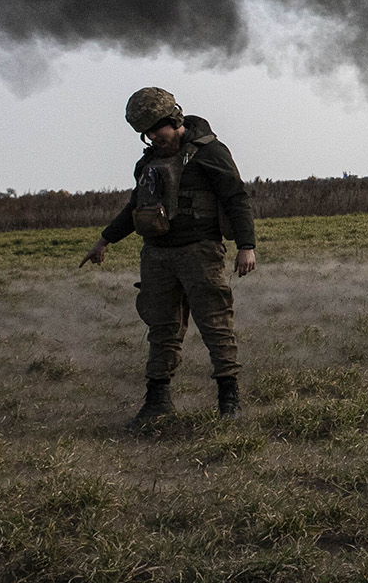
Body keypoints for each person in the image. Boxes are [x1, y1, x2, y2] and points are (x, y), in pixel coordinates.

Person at [81, 87, 257, 426]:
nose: (151, 138)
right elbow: (136, 205)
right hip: (157, 256)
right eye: (144, 134)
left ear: (173, 120)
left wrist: (245, 246)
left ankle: (228, 398)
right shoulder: (149, 162)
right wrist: (105, 240)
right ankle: (157, 400)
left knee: (216, 324)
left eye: (155, 130)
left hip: (200, 252)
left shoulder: (210, 152)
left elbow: (237, 198)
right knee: (162, 329)